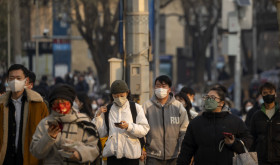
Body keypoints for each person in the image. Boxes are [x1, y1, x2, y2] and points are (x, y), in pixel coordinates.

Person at [177, 87, 252, 165]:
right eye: (207, 97)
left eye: (212, 98)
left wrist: (234, 143)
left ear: (222, 103)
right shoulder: (196, 123)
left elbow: (248, 140)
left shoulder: (234, 121)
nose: (209, 100)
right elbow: (186, 149)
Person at [30, 84, 100, 164]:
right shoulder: (45, 123)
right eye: (56, 102)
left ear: (70, 103)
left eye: (63, 102)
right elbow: (36, 152)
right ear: (51, 104)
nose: (60, 105)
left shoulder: (83, 122)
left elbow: (94, 148)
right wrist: (48, 137)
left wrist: (80, 154)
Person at [0, 64, 49, 165]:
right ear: (7, 81)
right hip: (5, 158)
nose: (15, 81)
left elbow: (46, 132)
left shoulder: (38, 104)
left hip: (29, 158)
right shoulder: (1, 105)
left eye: (18, 78)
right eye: (12, 78)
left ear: (26, 81)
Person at [93, 80, 149, 165]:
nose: (119, 98)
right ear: (112, 95)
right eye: (116, 96)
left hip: (131, 155)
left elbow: (144, 129)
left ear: (127, 93)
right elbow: (101, 132)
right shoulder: (107, 109)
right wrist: (98, 116)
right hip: (112, 155)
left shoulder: (136, 108)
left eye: (122, 95)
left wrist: (128, 126)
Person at [143, 75, 189, 165]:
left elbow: (184, 130)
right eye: (158, 86)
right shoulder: (146, 106)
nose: (160, 89)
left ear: (169, 89)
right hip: (153, 155)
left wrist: (183, 151)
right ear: (154, 88)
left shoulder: (178, 107)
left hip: (174, 156)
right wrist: (143, 148)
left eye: (164, 86)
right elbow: (142, 129)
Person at [250, 82, 280, 164]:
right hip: (261, 159)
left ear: (275, 94)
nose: (268, 95)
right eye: (265, 93)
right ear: (261, 95)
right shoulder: (256, 115)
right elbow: (252, 137)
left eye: (270, 92)